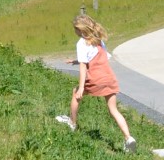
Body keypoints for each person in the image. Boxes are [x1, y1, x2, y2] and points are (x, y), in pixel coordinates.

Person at [57, 13, 136, 152]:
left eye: (75, 29)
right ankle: (128, 138)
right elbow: (98, 57)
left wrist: (81, 87)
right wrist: (75, 61)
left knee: (75, 93)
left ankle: (72, 123)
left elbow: (84, 66)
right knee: (113, 110)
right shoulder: (99, 40)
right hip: (109, 77)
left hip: (96, 78)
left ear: (80, 30)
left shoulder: (81, 43)